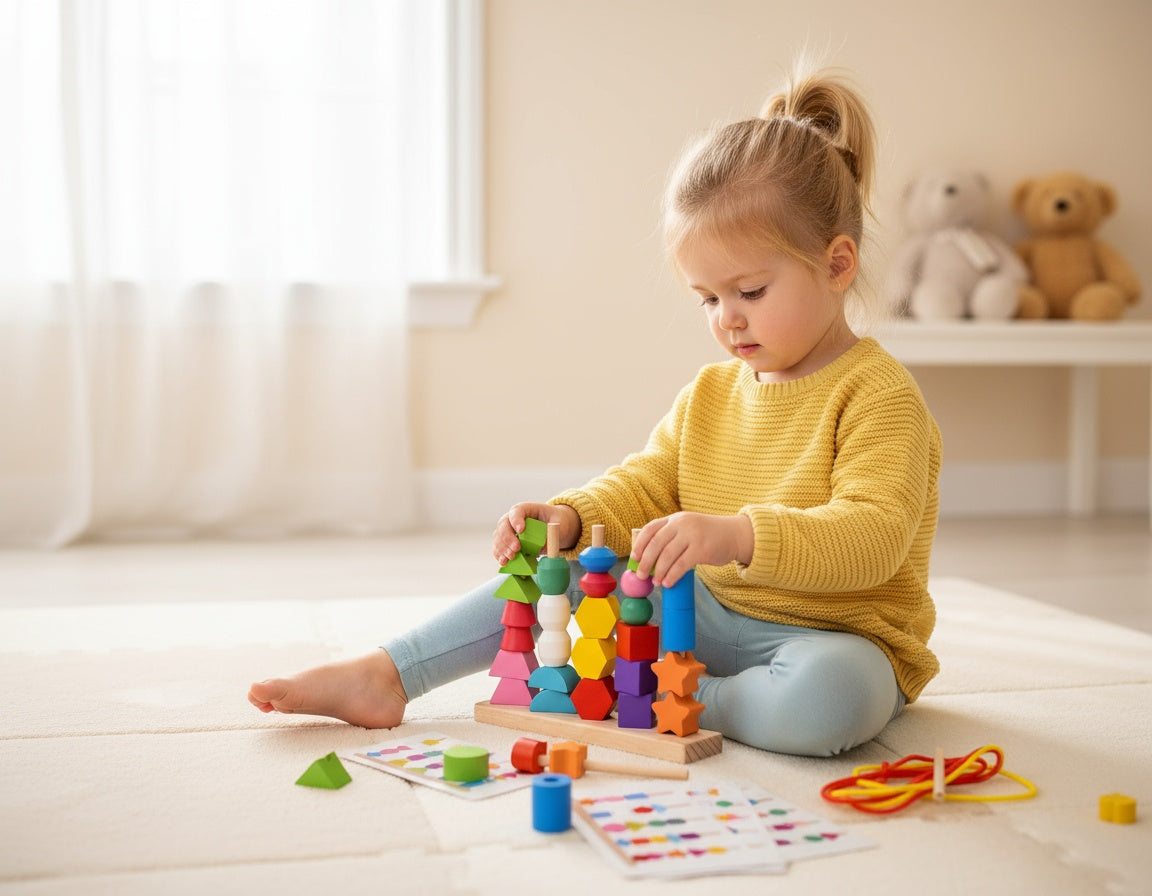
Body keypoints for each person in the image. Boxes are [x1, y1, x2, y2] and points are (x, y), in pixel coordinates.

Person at [248, 67, 942, 757]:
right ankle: (391, 672)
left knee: (827, 700)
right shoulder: (710, 393)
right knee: (572, 575)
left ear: (838, 264)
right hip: (700, 613)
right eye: (707, 299)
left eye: (751, 291)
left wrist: (738, 536)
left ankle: (676, 694)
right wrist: (573, 518)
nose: (727, 319)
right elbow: (646, 485)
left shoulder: (878, 396)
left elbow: (874, 535)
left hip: (836, 639)